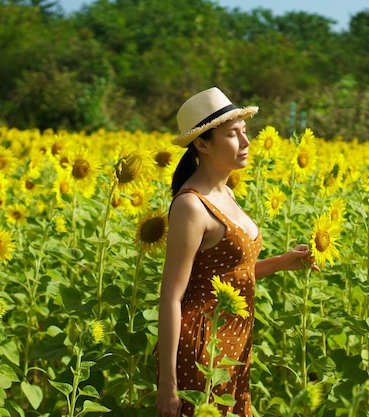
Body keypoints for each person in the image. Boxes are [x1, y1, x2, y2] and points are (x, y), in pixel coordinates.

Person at [156, 87, 318, 417]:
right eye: (233, 135)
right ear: (202, 144)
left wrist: (282, 262)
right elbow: (172, 297)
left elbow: (223, 276)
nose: (245, 143)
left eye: (245, 133)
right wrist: (168, 385)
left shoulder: (226, 191)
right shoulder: (191, 205)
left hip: (233, 342)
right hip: (203, 346)